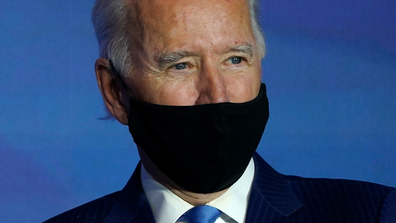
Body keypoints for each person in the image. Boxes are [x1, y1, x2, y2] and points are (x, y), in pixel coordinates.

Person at [44, 0, 396, 222]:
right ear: (115, 92)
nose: (217, 94)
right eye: (180, 65)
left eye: (235, 59)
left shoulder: (375, 212)